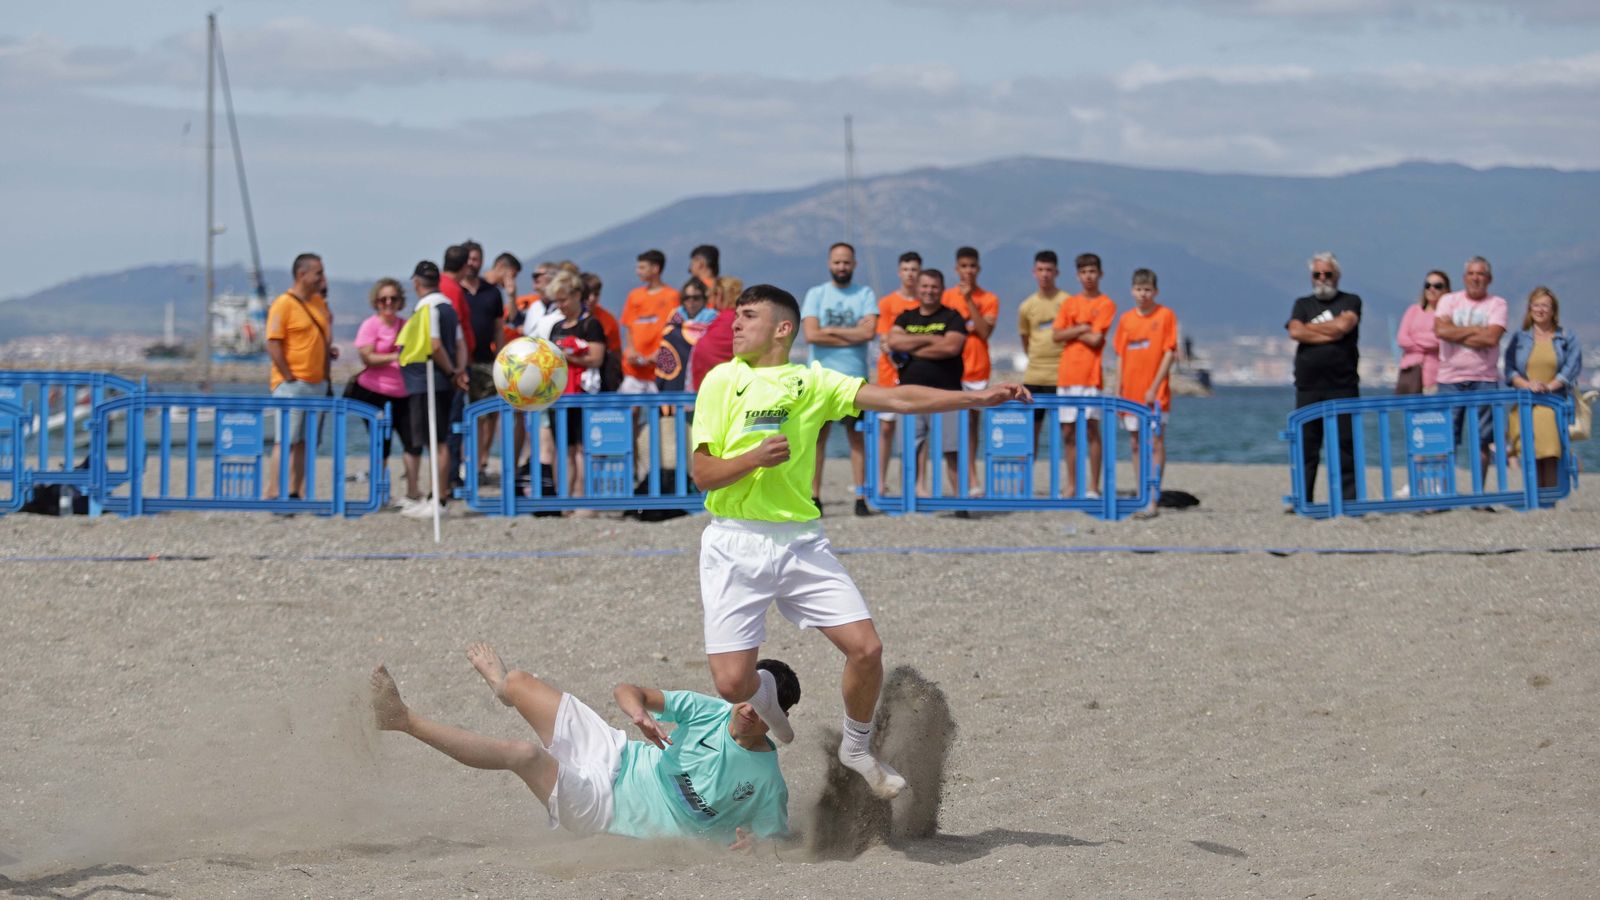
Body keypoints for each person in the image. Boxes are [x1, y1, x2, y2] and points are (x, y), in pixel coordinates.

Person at [690, 283, 1029, 799]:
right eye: (736, 317)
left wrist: (975, 397)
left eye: (748, 316)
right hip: (733, 543)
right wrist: (752, 459)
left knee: (867, 649)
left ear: (783, 328)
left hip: (800, 541)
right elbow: (702, 473)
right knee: (731, 685)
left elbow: (897, 396)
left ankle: (856, 745)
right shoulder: (721, 380)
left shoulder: (812, 382)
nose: (735, 325)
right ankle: (763, 693)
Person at [370, 643, 795, 847]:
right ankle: (502, 688)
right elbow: (628, 689)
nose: (747, 709)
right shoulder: (711, 710)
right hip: (616, 752)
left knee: (523, 753)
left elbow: (777, 839)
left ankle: (402, 720)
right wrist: (639, 715)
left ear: (774, 720)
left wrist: (755, 843)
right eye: (747, 696)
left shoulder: (766, 782)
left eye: (761, 707)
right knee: (517, 682)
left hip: (606, 808)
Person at [801, 242, 878, 516]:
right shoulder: (816, 294)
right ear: (829, 263)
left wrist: (829, 329)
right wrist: (850, 331)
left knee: (856, 438)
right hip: (819, 379)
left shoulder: (865, 294)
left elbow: (869, 333)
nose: (841, 267)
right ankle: (814, 496)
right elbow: (811, 334)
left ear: (854, 264)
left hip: (855, 379)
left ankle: (860, 496)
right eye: (837, 262)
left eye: (846, 262)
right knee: (816, 439)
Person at [1286, 251, 1361, 504]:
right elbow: (1295, 331)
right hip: (1308, 386)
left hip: (1343, 385)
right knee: (1307, 446)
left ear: (1337, 275)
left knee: (1345, 445)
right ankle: (1304, 499)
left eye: (1327, 274)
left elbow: (1344, 327)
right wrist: (1329, 332)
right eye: (1317, 274)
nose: (1322, 279)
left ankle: (1348, 501)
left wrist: (1311, 329)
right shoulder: (1302, 304)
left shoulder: (1351, 300)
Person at [887, 270, 968, 496]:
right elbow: (892, 340)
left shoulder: (953, 317)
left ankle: (961, 499)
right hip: (910, 394)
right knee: (910, 447)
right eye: (925, 286)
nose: (929, 291)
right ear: (917, 288)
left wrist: (910, 348)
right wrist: (932, 339)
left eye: (934, 287)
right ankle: (912, 496)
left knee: (952, 449)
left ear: (942, 289)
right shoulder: (905, 317)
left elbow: (951, 347)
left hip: (947, 394)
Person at [263, 252, 336, 501]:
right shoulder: (283, 304)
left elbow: (321, 340)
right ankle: (274, 491)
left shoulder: (319, 304)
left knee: (306, 442)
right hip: (292, 385)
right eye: (318, 273)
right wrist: (288, 376)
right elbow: (273, 343)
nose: (322, 278)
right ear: (301, 274)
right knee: (286, 440)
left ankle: (297, 491)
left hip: (317, 383)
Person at [399, 261, 468, 519]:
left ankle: (439, 498)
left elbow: (435, 344)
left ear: (417, 283)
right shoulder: (448, 306)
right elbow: (460, 344)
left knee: (436, 441)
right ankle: (436, 495)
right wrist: (459, 370)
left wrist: (451, 372)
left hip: (431, 380)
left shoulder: (428, 307)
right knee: (439, 439)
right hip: (441, 380)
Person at [1435, 256, 1509, 481]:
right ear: (1464, 277)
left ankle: (1479, 493)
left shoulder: (1498, 304)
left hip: (1484, 378)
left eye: (1481, 274)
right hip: (1449, 379)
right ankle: (1444, 493)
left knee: (1483, 439)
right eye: (1471, 273)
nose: (1476, 278)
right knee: (1445, 438)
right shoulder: (1448, 300)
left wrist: (1457, 332)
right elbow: (1441, 331)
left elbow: (1492, 338)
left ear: (1489, 278)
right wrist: (1476, 330)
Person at [1051, 253, 1117, 498]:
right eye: (1084, 272)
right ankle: (1071, 485)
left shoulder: (1106, 304)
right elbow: (1056, 335)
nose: (1088, 277)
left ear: (1100, 274)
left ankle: (1093, 486)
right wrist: (1080, 328)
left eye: (1092, 271)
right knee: (1067, 431)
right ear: (1078, 275)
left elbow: (1097, 338)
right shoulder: (1069, 304)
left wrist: (1071, 331)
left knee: (1091, 429)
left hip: (1091, 376)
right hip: (1067, 375)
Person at [1113, 269, 1178, 519]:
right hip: (1130, 392)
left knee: (1156, 442)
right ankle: (1141, 493)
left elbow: (1169, 352)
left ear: (1156, 291)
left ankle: (1153, 496)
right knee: (1135, 443)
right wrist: (1118, 385)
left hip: (1155, 393)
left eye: (1147, 290)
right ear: (1132, 291)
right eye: (1139, 290)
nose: (1143, 294)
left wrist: (1155, 385)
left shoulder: (1165, 316)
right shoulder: (1126, 319)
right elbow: (1120, 354)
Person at [1504, 286, 1583, 489]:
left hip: (1553, 402)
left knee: (1550, 451)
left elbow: (1571, 368)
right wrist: (1528, 385)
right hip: (1525, 402)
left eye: (1545, 306)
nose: (1540, 310)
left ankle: (1550, 495)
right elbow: (1510, 371)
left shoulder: (1566, 337)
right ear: (1530, 308)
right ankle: (1536, 495)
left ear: (1553, 310)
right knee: (1532, 452)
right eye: (1536, 305)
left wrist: (1549, 387)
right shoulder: (1519, 338)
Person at [348, 278, 417, 507]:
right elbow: (367, 356)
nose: (388, 303)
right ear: (376, 302)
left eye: (393, 299)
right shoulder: (370, 325)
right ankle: (380, 492)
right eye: (383, 299)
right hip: (374, 391)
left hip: (403, 392)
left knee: (411, 441)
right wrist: (394, 357)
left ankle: (413, 491)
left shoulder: (407, 326)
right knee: (381, 443)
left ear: (400, 302)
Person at [546, 271, 608, 506]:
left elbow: (596, 358)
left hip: (583, 396)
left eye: (564, 300)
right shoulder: (556, 327)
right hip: (560, 396)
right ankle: (563, 500)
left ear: (577, 295)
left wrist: (568, 358)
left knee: (583, 448)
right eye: (557, 301)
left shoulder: (591, 324)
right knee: (563, 449)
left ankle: (583, 499)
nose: (560, 305)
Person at [941, 247, 998, 493]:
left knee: (972, 424)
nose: (968, 271)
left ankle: (973, 476)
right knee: (952, 425)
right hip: (952, 368)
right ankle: (956, 478)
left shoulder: (989, 299)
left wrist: (968, 301)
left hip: (977, 369)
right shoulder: (945, 297)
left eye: (972, 266)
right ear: (956, 269)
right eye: (963, 266)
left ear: (978, 269)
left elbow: (984, 330)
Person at [872, 252, 923, 492]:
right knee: (885, 427)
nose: (910, 274)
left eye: (914, 269)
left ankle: (912, 482)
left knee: (916, 430)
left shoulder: (924, 304)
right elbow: (885, 340)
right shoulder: (887, 303)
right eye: (906, 269)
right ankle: (880, 481)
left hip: (917, 373)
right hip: (888, 374)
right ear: (899, 272)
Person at [460, 241, 506, 484]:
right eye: (468, 258)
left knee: (488, 413)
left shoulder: (492, 292)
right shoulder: (456, 291)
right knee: (464, 414)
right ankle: (462, 462)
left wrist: (501, 358)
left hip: (487, 360)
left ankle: (481, 462)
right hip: (460, 362)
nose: (471, 263)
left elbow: (499, 329)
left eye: (476, 258)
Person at [1017, 250, 1068, 447]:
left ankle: (1071, 479)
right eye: (1040, 269)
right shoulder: (1026, 306)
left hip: (1062, 376)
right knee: (1029, 431)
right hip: (1034, 376)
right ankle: (1025, 477)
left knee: (1068, 432)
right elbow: (1025, 338)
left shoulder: (1067, 302)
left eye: (1049, 270)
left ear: (1056, 272)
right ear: (1034, 272)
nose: (1045, 274)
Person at [621, 249, 681, 395]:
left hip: (659, 368)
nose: (638, 271)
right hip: (634, 368)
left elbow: (676, 328)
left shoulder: (672, 296)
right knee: (630, 411)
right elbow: (629, 326)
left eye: (642, 267)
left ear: (655, 268)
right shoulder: (634, 295)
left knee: (662, 411)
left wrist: (661, 351)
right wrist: (631, 350)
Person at [1396, 271, 1449, 395]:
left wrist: (1415, 338)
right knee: (1410, 413)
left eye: (1437, 286)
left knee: (1432, 414)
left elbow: (1439, 341)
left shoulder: (1446, 315)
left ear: (1446, 290)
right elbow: (1402, 338)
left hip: (1434, 378)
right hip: (1410, 374)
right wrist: (1427, 342)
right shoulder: (1413, 310)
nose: (1431, 289)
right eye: (1428, 285)